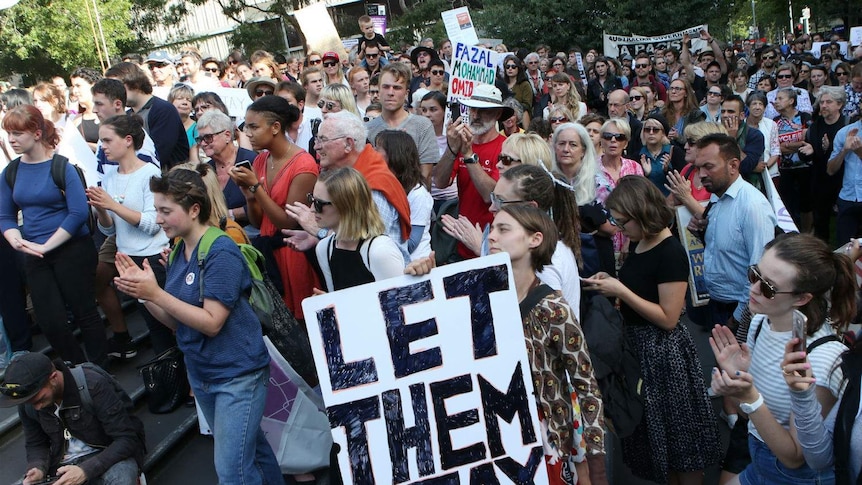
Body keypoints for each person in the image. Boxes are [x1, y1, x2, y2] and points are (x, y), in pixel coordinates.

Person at [114, 167, 283, 485]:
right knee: (254, 453)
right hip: (204, 373)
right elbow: (177, 324)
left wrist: (156, 293)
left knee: (232, 472)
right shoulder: (180, 249)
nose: (158, 218)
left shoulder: (220, 251)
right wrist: (142, 293)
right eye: (157, 210)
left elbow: (212, 323)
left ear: (194, 210)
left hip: (237, 376)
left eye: (165, 210)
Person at [582, 175, 720, 484]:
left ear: (640, 213)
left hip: (665, 356)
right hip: (641, 350)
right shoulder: (639, 240)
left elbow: (669, 318)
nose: (619, 228)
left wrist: (621, 290)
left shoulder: (670, 252)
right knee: (661, 445)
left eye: (622, 221)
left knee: (682, 445)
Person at [710, 232, 854, 484]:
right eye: (754, 274)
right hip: (760, 454)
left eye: (768, 287)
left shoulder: (821, 358)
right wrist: (737, 379)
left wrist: (748, 395)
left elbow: (796, 456)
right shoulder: (760, 322)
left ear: (802, 298)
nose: (753, 288)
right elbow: (751, 416)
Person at [488, 204, 606, 485]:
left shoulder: (552, 308)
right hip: (500, 435)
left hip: (547, 437)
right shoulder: (484, 299)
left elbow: (585, 384)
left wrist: (596, 466)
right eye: (492, 228)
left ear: (535, 239)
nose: (492, 236)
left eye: (503, 229)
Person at [0, 105, 108, 368]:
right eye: (8, 134)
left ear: (37, 134)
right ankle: (76, 368)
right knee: (50, 320)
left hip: (71, 249)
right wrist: (14, 237)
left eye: (17, 133)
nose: (11, 140)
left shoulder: (61, 167)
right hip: (34, 252)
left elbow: (78, 212)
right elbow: (5, 215)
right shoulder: (12, 171)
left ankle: (98, 369)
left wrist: (47, 244)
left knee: (84, 311)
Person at [85, 114, 174, 356]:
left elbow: (153, 223)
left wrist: (112, 206)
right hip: (127, 259)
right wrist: (101, 210)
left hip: (154, 259)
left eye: (107, 140)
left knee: (167, 325)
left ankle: (180, 382)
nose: (102, 146)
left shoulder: (150, 174)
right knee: (152, 324)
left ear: (127, 140)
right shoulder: (110, 176)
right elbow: (110, 229)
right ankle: (167, 380)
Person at [229, 96, 319, 321]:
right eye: (246, 126)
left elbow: (287, 222)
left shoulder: (303, 164)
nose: (247, 133)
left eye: (253, 127)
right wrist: (249, 197)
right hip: (268, 254)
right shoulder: (260, 161)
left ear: (276, 127)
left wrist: (256, 187)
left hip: (294, 253)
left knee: (301, 323)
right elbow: (259, 223)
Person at [0, 353, 146, 484]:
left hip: (106, 455)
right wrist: (37, 467)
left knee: (122, 478)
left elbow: (127, 439)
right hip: (62, 464)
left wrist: (84, 470)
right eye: (31, 402)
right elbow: (36, 443)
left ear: (53, 378)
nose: (37, 407)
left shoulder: (93, 385)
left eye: (39, 399)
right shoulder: (29, 402)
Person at [289, 111, 411, 261]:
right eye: (317, 139)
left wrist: (318, 231)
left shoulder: (372, 186)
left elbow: (367, 244)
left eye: (323, 139)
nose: (316, 147)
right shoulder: (353, 176)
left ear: (348, 144)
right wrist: (316, 236)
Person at [688, 133, 776, 328]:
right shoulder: (716, 197)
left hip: (740, 312)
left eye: (708, 167)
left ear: (733, 166)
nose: (701, 174)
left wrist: (738, 318)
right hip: (717, 305)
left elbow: (760, 271)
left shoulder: (753, 206)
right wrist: (700, 232)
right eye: (698, 167)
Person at [294, 167, 404, 291]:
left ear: (345, 206)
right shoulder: (325, 248)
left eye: (319, 204)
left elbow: (400, 304)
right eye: (311, 199)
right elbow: (338, 299)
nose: (312, 209)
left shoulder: (380, 251)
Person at [433, 84, 510, 260]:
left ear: (498, 114)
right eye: (473, 108)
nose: (475, 115)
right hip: (461, 244)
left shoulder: (506, 147)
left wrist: (468, 155)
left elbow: (491, 196)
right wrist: (451, 149)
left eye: (484, 110)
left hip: (493, 245)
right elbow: (440, 182)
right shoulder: (463, 142)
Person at [553, 121, 615, 276]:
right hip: (557, 257)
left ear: (583, 150)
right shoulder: (548, 180)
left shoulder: (598, 183)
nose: (566, 149)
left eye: (573, 144)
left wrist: (585, 217)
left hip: (593, 257)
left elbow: (614, 227)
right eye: (561, 144)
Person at [366, 63, 440, 186]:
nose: (390, 92)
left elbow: (425, 175)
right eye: (386, 87)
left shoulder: (422, 126)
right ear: (378, 90)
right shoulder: (368, 129)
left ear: (406, 93)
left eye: (397, 88)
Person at [105, 62, 189, 169]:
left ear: (133, 82)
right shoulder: (127, 115)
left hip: (169, 180)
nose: (114, 94)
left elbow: (157, 155)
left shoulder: (163, 110)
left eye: (117, 87)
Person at [800, 86, 848, 242]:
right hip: (819, 181)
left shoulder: (847, 125)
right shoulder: (816, 126)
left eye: (829, 102)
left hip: (843, 180)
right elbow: (808, 153)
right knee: (821, 223)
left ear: (839, 104)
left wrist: (829, 149)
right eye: (822, 102)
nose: (824, 105)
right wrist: (809, 152)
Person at [375, 130, 432, 260]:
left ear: (394, 154)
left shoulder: (418, 194)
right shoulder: (386, 185)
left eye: (378, 148)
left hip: (415, 265)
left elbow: (412, 243)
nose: (373, 151)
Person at [595, 118, 643, 261]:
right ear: (601, 141)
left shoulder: (635, 167)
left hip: (634, 241)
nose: (613, 141)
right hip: (601, 243)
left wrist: (630, 241)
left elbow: (641, 205)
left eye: (619, 137)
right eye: (608, 136)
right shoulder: (589, 169)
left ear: (626, 142)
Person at [198, 110, 255, 226]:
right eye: (200, 139)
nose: (203, 143)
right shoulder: (206, 169)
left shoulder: (251, 161)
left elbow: (262, 202)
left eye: (208, 137)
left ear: (227, 136)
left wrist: (231, 214)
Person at [774, 87, 813, 231]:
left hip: (805, 167)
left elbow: (808, 142)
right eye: (776, 98)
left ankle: (807, 234)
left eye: (780, 99)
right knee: (786, 203)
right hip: (785, 169)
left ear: (791, 101)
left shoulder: (805, 118)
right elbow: (777, 147)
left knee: (806, 204)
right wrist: (796, 144)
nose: (776, 102)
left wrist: (788, 145)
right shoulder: (775, 121)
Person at [418, 90, 458, 209]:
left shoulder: (453, 137)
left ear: (444, 111)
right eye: (424, 110)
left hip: (449, 199)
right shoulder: (418, 137)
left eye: (433, 109)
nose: (427, 114)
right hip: (424, 198)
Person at [828, 111, 862, 244]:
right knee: (844, 249)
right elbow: (830, 170)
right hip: (847, 197)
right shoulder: (844, 132)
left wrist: (858, 152)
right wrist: (845, 150)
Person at [746, 91, 782, 186]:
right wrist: (753, 167)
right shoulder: (741, 125)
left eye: (760, 104)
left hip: (769, 172)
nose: (757, 107)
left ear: (765, 108)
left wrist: (764, 167)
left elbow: (775, 150)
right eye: (754, 104)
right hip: (746, 172)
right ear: (748, 106)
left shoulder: (771, 124)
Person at [69, 67, 103, 153]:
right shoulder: (77, 120)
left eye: (78, 86)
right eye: (73, 86)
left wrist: (87, 146)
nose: (74, 91)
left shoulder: (112, 114)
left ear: (93, 85)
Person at [500, 54, 533, 127]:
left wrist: (513, 107)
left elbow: (527, 105)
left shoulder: (525, 84)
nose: (510, 69)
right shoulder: (502, 84)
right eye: (507, 67)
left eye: (513, 67)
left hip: (519, 119)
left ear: (519, 68)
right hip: (502, 118)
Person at [168, 83, 197, 151]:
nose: (185, 102)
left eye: (189, 100)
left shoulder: (197, 128)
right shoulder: (164, 125)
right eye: (180, 98)